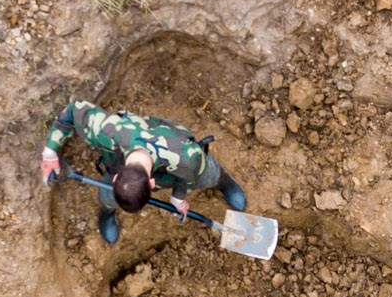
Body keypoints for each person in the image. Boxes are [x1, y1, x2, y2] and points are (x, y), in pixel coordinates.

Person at [39, 99, 249, 245]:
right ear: (115, 177)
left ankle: (225, 183)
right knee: (107, 197)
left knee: (209, 173)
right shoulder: (109, 131)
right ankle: (107, 213)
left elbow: (186, 177)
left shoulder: (186, 156)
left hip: (171, 149)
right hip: (122, 155)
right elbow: (73, 111)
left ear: (151, 184)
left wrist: (178, 199)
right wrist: (49, 152)